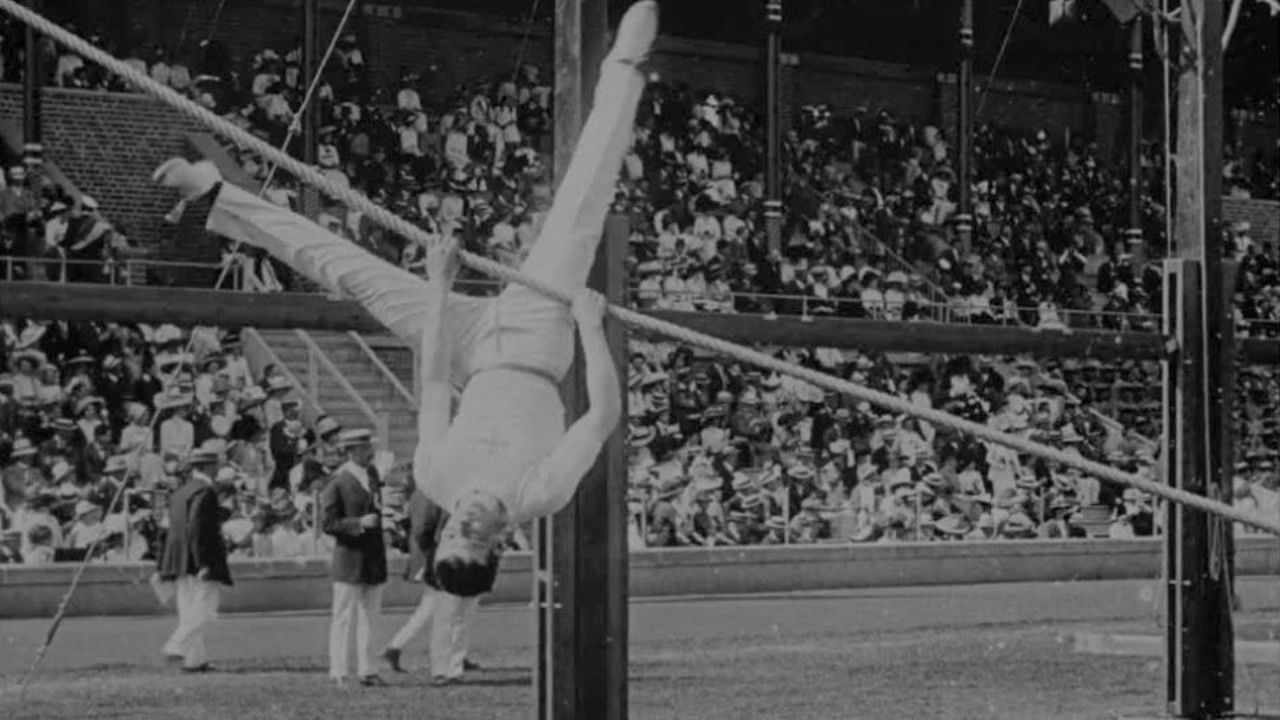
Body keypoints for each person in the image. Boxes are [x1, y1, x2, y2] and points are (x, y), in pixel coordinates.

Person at [152, 1, 655, 598]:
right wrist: (590, 326)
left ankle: (216, 194)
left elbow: (436, 377)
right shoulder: (540, 494)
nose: (463, 521)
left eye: (452, 533)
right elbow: (601, 417)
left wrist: (438, 285)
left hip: (464, 349)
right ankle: (624, 69)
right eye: (473, 535)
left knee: (352, 273)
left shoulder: (436, 479)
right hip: (537, 343)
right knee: (575, 220)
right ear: (500, 543)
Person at [382, 484, 487, 686]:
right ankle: (445, 664)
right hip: (443, 557)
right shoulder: (434, 491)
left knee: (439, 609)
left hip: (456, 556)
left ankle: (446, 661)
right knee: (445, 612)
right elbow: (424, 529)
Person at [320, 428, 389, 687]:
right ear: (351, 451)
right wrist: (358, 523)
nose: (369, 451)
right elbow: (328, 523)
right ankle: (339, 669)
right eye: (363, 447)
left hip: (372, 555)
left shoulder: (372, 475)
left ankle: (368, 669)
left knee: (371, 616)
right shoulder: (337, 482)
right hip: (350, 557)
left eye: (368, 446)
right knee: (343, 617)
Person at [157, 447, 232, 673]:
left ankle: (194, 660)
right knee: (206, 609)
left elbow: (169, 530)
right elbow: (198, 528)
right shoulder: (205, 491)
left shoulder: (180, 492)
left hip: (180, 558)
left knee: (188, 609)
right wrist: (204, 562)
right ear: (209, 467)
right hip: (199, 558)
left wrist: (164, 563)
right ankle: (176, 644)